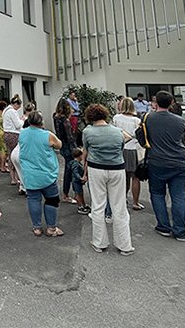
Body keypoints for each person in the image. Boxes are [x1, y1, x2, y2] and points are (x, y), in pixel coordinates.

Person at [137, 90, 185, 241]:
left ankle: (164, 226)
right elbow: (182, 140)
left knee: (158, 194)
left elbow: (142, 139)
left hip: (157, 161)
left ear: (155, 103)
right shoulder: (180, 121)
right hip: (179, 161)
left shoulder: (147, 118)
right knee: (179, 196)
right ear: (172, 103)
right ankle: (180, 231)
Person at [83, 104, 135, 255]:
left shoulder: (88, 131)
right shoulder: (117, 131)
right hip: (117, 168)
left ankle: (99, 242)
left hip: (96, 168)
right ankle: (125, 245)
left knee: (98, 205)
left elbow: (86, 149)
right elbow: (127, 138)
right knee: (119, 206)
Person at [19, 110, 65, 237]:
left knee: (33, 199)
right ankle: (51, 228)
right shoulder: (48, 135)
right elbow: (59, 145)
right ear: (42, 122)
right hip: (46, 174)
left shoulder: (22, 133)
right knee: (52, 199)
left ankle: (37, 228)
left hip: (29, 174)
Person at [112, 97, 144, 210]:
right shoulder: (137, 121)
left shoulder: (116, 118)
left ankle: (123, 199)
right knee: (135, 177)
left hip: (120, 148)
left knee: (123, 177)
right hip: (134, 149)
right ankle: (135, 202)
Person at [53, 97, 77, 204]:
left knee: (68, 169)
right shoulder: (65, 121)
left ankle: (66, 192)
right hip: (68, 146)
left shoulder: (55, 117)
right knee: (70, 170)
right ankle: (66, 193)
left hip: (62, 144)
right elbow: (70, 136)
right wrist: (76, 148)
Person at [2, 94, 24, 186]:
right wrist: (22, 120)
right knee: (16, 155)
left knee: (10, 154)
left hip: (6, 133)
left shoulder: (5, 111)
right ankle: (18, 177)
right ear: (15, 104)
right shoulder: (13, 112)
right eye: (19, 106)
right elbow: (18, 125)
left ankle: (13, 178)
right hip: (14, 134)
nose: (18, 108)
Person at [69, 147, 90, 214]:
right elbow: (75, 172)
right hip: (76, 182)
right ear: (79, 156)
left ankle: (83, 204)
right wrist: (80, 178)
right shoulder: (75, 164)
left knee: (80, 193)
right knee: (78, 194)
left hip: (77, 182)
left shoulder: (76, 163)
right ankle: (80, 206)